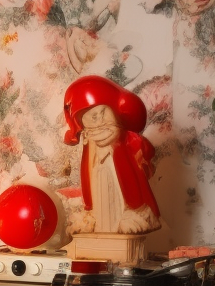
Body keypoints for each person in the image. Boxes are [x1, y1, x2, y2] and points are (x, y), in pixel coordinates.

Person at [63, 74, 161, 236]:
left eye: (102, 111)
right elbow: (86, 176)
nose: (97, 119)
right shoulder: (89, 144)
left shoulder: (126, 140)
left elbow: (143, 153)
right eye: (88, 115)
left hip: (125, 200)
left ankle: (126, 217)